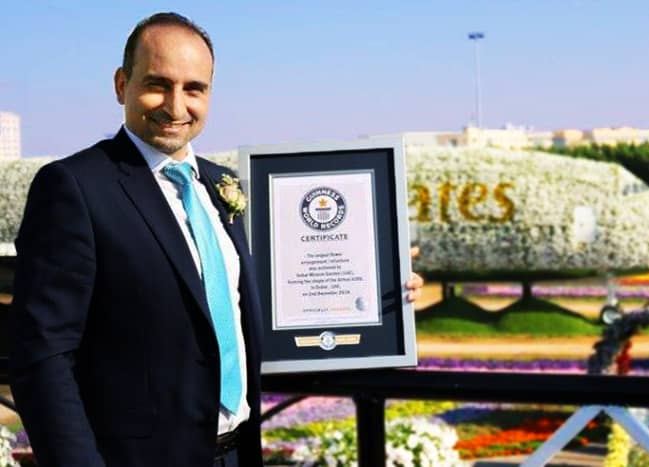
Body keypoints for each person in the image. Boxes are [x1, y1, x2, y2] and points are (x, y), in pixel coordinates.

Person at [8, 11, 423, 467]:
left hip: (235, 453)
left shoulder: (221, 185)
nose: (175, 105)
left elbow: (260, 306)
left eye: (193, 89)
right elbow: (43, 355)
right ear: (121, 84)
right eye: (157, 84)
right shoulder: (75, 187)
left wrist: (378, 282)